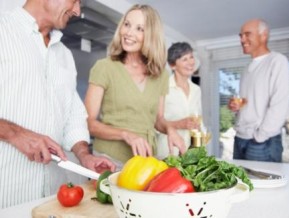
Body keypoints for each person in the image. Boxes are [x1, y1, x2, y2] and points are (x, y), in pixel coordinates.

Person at [0, 0, 115, 209]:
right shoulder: (3, 31)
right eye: (76, 1)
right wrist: (14, 133)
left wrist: (84, 155)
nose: (78, 11)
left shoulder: (64, 54)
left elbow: (73, 115)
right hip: (6, 194)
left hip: (51, 200)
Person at [84, 4, 186, 168]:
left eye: (140, 28)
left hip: (144, 162)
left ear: (151, 35)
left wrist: (170, 129)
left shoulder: (161, 75)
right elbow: (88, 123)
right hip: (108, 159)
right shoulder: (104, 67)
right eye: (127, 24)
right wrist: (126, 135)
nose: (129, 32)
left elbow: (158, 120)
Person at [228, 19, 289, 162]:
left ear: (264, 35)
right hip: (240, 138)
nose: (242, 39)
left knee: (262, 185)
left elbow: (279, 105)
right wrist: (238, 106)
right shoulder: (246, 69)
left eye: (247, 34)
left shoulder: (277, 61)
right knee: (239, 183)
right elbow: (251, 104)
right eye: (240, 35)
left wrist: (260, 137)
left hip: (262, 142)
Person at [156, 42, 203, 159]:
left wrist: (201, 140)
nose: (191, 62)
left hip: (192, 152)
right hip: (169, 151)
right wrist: (179, 124)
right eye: (184, 59)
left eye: (191, 57)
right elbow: (155, 123)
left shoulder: (196, 90)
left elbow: (199, 120)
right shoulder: (163, 86)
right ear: (173, 65)